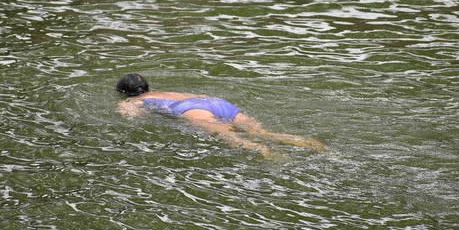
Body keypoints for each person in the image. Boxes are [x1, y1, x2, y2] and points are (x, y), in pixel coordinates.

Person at [116, 73, 324, 158]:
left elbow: (131, 118)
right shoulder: (168, 92)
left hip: (196, 111)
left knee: (232, 137)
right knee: (265, 132)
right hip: (216, 102)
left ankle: (268, 155)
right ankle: (311, 144)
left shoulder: (132, 101)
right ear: (147, 85)